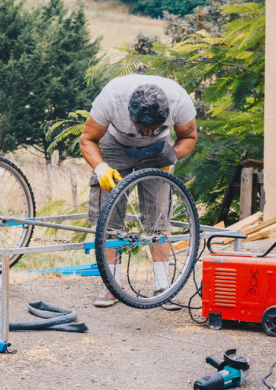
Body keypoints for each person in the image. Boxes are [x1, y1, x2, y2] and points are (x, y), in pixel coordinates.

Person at [79, 74, 197, 310]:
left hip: (158, 151)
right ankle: (111, 286)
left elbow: (189, 136)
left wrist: (172, 156)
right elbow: (87, 138)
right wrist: (101, 168)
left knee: (159, 218)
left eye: (152, 128)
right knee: (109, 218)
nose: (145, 133)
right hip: (114, 144)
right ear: (129, 115)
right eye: (141, 128)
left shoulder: (179, 101)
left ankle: (163, 287)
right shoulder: (112, 98)